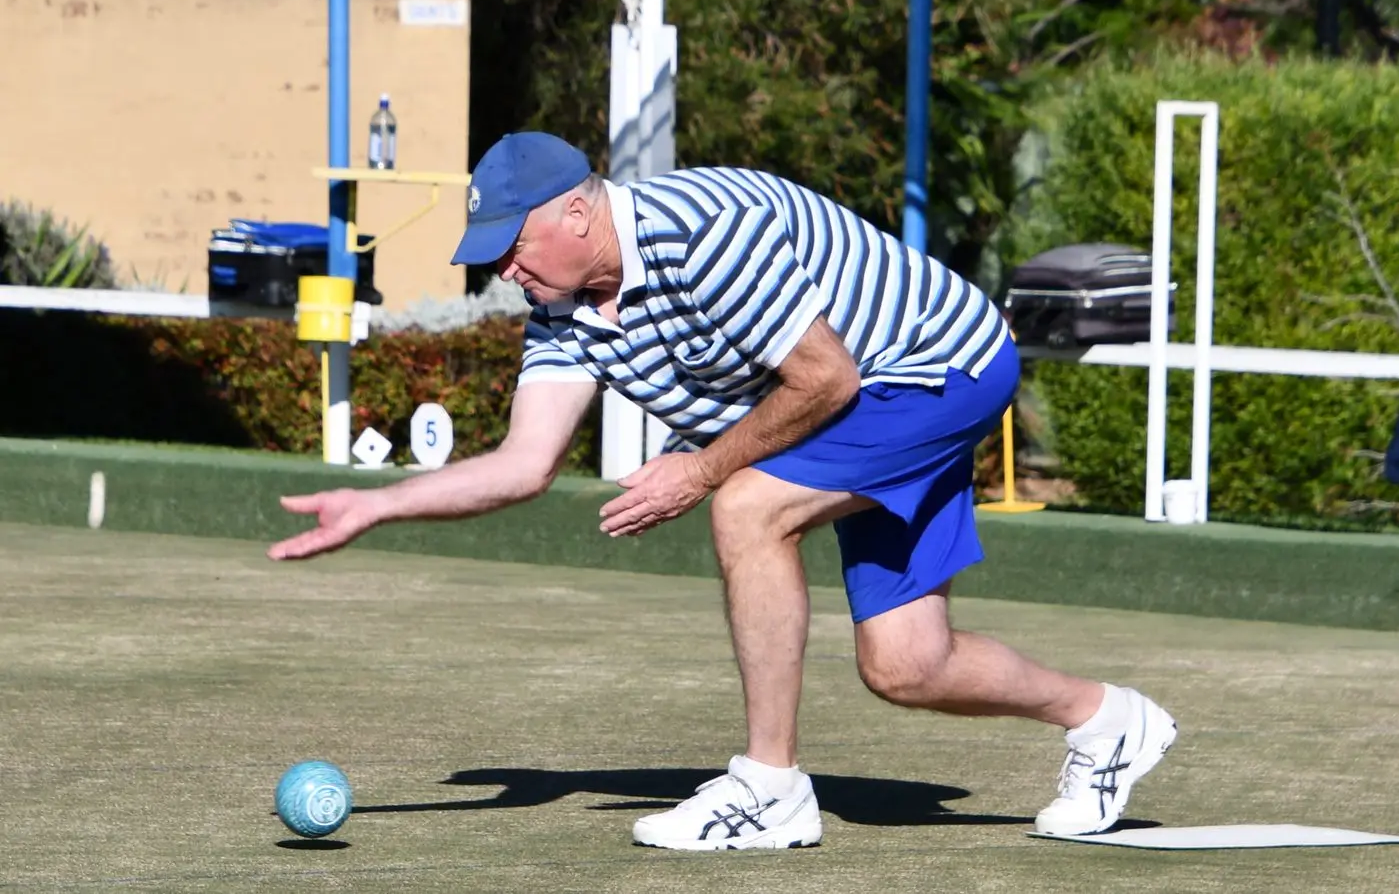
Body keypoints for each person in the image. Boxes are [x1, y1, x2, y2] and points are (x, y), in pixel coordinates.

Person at [268, 131, 1177, 851]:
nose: (503, 271)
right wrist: (378, 502)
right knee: (905, 665)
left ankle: (770, 787)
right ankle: (1105, 720)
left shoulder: (701, 230)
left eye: (511, 246)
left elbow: (825, 379)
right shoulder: (561, 309)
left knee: (745, 502)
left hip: (937, 365)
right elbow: (523, 463)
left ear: (577, 214)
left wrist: (698, 472)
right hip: (867, 395)